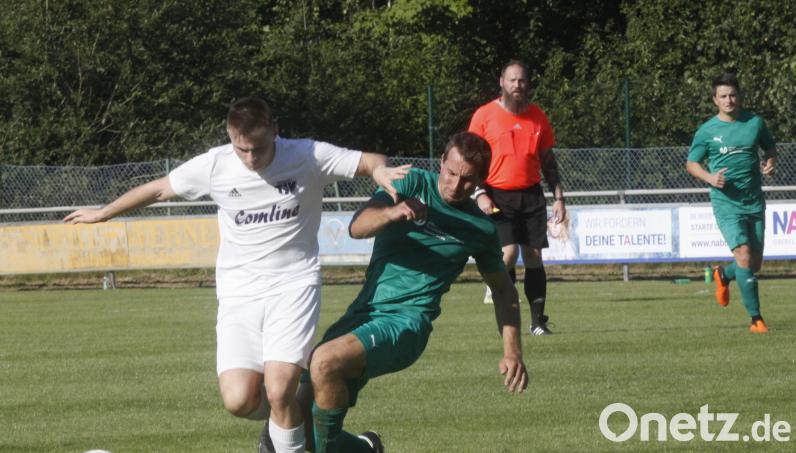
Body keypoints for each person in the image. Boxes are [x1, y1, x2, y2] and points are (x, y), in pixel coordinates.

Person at [63, 96, 410, 453]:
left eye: (258, 148)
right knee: (239, 400)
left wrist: (380, 172)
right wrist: (104, 212)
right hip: (238, 292)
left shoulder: (307, 155)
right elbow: (159, 188)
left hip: (293, 285)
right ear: (230, 137)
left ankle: (286, 412)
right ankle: (309, 425)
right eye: (241, 148)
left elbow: (368, 160)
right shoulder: (215, 165)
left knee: (278, 390)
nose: (250, 158)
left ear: (275, 130)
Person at [306, 132, 528, 452]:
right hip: (364, 313)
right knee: (293, 409)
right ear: (441, 163)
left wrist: (513, 352)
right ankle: (365, 449)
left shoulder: (480, 228)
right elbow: (357, 227)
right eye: (450, 173)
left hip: (408, 324)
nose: (455, 185)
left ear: (481, 178)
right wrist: (393, 212)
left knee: (324, 362)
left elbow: (504, 292)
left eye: (467, 180)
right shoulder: (409, 183)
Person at [468, 59, 566, 335]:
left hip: (531, 195)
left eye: (522, 80)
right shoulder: (484, 115)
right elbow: (470, 158)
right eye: (512, 80)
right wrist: (479, 194)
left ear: (527, 84)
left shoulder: (538, 116)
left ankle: (537, 323)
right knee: (508, 254)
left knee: (534, 256)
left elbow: (548, 161)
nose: (517, 85)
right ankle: (501, 301)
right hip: (497, 195)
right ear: (502, 82)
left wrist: (559, 197)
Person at [686, 72, 777, 334]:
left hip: (754, 202)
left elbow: (770, 149)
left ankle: (723, 275)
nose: (729, 100)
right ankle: (756, 319)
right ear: (715, 100)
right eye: (723, 96)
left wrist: (771, 163)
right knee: (744, 255)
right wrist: (710, 178)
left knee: (753, 264)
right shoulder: (707, 131)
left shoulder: (755, 123)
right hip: (726, 204)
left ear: (740, 97)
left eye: (733, 95)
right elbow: (692, 163)